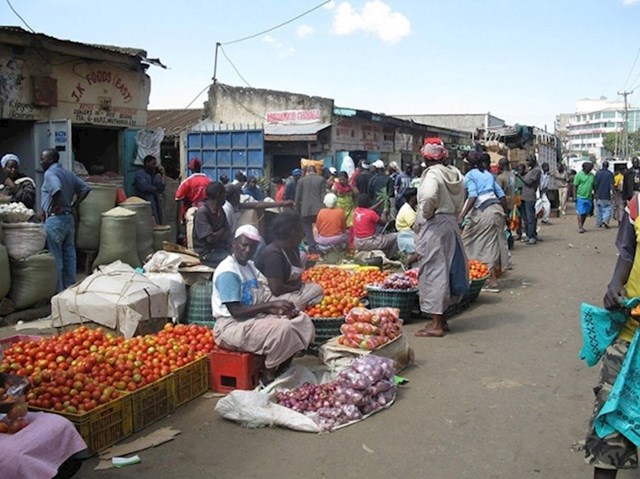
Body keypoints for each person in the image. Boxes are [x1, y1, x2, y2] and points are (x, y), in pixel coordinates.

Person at [212, 225, 315, 384]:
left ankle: (284, 364)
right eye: (244, 245)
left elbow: (263, 295)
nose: (247, 250)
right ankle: (268, 374)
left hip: (252, 318)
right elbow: (236, 311)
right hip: (230, 326)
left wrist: (279, 307)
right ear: (234, 244)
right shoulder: (228, 271)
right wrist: (270, 307)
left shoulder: (250, 266)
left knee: (302, 320)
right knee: (283, 329)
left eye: (252, 247)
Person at [582, 193, 640, 478]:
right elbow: (627, 253)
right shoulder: (638, 204)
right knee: (609, 430)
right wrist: (616, 283)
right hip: (630, 337)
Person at [413, 140, 468, 338]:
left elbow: (428, 197)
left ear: (427, 158)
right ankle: (442, 320)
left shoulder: (433, 174)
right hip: (451, 222)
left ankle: (435, 324)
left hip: (436, 224)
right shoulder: (454, 173)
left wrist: (426, 214)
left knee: (434, 271)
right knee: (446, 269)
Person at [40, 148, 91, 292]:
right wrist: (73, 205)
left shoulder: (50, 173)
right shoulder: (68, 173)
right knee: (70, 255)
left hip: (55, 220)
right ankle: (70, 290)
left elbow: (56, 189)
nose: (40, 162)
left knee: (57, 258)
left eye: (42, 159)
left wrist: (55, 205)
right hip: (68, 219)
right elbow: (86, 189)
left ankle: (59, 293)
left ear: (50, 160)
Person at [458, 151, 508, 293]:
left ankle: (484, 278)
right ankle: (490, 278)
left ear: (469, 164)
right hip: (497, 209)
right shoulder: (488, 174)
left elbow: (473, 195)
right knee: (490, 244)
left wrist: (462, 215)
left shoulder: (470, 175)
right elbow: (502, 195)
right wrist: (506, 215)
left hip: (484, 211)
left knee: (467, 242)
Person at [256, 211, 324, 308]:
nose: (303, 234)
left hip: (292, 290)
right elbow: (276, 289)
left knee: (317, 289)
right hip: (271, 296)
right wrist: (297, 288)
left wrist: (299, 287)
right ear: (293, 232)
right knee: (296, 303)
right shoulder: (273, 253)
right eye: (301, 231)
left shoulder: (293, 248)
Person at [193, 182, 232, 268]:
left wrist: (218, 234)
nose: (225, 197)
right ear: (219, 195)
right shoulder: (202, 213)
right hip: (206, 253)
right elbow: (210, 239)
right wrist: (222, 231)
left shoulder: (220, 210)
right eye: (224, 194)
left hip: (220, 248)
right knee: (231, 260)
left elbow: (228, 232)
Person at [352, 193, 398, 259]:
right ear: (368, 202)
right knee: (397, 236)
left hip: (357, 242)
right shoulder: (371, 214)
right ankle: (390, 257)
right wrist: (385, 213)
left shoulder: (356, 211)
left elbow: (369, 210)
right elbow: (384, 223)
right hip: (369, 242)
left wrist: (380, 202)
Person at [294, 165, 325, 253]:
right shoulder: (321, 179)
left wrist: (297, 210)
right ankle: (319, 245)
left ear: (307, 171)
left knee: (307, 228)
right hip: (318, 209)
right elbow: (323, 196)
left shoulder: (301, 181)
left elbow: (298, 197)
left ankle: (312, 247)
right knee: (319, 228)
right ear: (316, 171)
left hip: (305, 209)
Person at [175, 158, 212, 222]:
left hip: (191, 211)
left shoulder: (187, 182)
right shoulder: (209, 181)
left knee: (191, 230)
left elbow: (178, 198)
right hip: (207, 210)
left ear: (191, 169)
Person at [514, 155, 541, 244]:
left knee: (530, 218)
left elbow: (529, 183)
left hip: (530, 196)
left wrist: (519, 176)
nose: (527, 163)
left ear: (533, 161)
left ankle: (532, 237)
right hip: (524, 196)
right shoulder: (531, 170)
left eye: (528, 161)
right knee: (525, 218)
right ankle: (529, 235)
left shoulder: (536, 171)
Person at [134, 155, 165, 224]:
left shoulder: (154, 174)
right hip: (145, 200)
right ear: (147, 163)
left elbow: (161, 187)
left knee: (158, 218)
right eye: (153, 164)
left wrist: (162, 174)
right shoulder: (140, 174)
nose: (154, 166)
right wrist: (156, 189)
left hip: (155, 199)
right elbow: (144, 187)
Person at [574, 161, 596, 233]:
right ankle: (580, 227)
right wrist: (574, 196)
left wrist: (595, 194)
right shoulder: (578, 175)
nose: (590, 170)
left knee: (586, 212)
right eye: (589, 168)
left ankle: (582, 225)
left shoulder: (592, 176)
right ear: (584, 168)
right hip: (580, 196)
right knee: (580, 212)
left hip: (588, 197)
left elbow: (594, 185)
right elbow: (575, 186)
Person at [395, 188, 418, 254]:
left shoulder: (411, 208)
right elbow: (415, 227)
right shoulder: (408, 211)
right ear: (412, 197)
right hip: (407, 237)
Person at [594, 160, 614, 229]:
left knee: (599, 208)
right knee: (608, 208)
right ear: (608, 166)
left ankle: (599, 222)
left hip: (599, 194)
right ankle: (605, 220)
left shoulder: (598, 173)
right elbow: (611, 185)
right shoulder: (610, 174)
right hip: (607, 194)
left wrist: (595, 193)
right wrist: (613, 193)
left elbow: (595, 184)